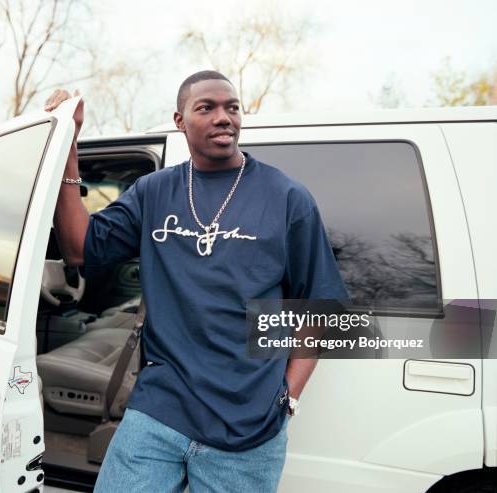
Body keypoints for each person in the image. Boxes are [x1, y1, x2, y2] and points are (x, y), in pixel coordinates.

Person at [45, 70, 348, 492]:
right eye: (206, 107)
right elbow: (79, 248)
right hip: (158, 412)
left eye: (232, 107)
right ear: (179, 120)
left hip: (248, 429)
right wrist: (68, 146)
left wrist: (287, 399)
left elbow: (320, 308)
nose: (224, 117)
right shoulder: (154, 192)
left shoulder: (285, 197)